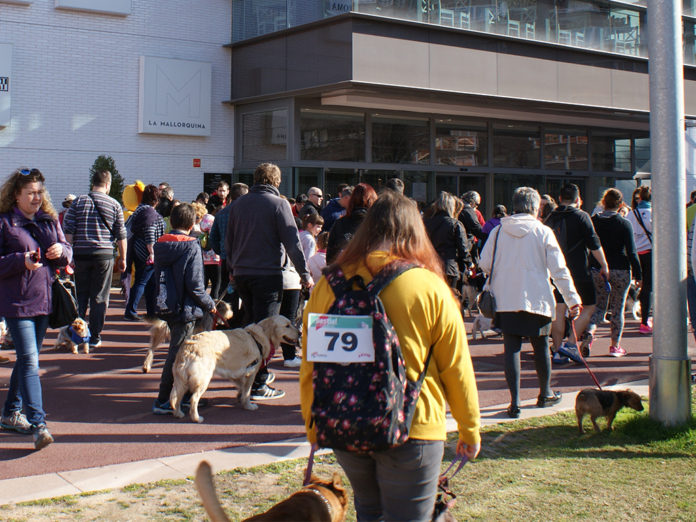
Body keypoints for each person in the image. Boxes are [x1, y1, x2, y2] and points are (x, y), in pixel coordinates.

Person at [299, 191, 481, 521]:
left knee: (368, 511)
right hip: (413, 424)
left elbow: (311, 364)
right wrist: (469, 428)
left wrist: (314, 423)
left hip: (346, 421)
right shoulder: (430, 286)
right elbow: (456, 366)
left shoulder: (328, 286)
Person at [479, 187, 582, 418]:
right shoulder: (543, 231)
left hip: (506, 298)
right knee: (541, 347)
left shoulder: (498, 231)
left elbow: (484, 263)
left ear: (514, 205)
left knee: (511, 349)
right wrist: (572, 299)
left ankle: (514, 402)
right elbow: (559, 270)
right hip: (538, 297)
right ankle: (544, 393)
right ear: (537, 207)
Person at [225, 163, 312, 400]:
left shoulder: (238, 204)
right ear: (276, 181)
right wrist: (304, 273)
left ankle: (247, 372)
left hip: (242, 273)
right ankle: (259, 383)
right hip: (267, 273)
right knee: (265, 330)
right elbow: (292, 242)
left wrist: (232, 267)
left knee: (249, 324)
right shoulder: (279, 204)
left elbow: (229, 240)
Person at [0, 167, 73, 449]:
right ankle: (39, 424)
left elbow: (68, 251)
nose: (36, 197)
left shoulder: (48, 220)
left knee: (25, 358)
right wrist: (21, 261)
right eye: (30, 193)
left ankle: (9, 413)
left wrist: (61, 252)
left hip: (44, 300)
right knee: (30, 360)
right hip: (17, 303)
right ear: (15, 195)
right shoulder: (5, 223)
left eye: (39, 192)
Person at [151, 203, 216, 414]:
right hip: (186, 307)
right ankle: (164, 399)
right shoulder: (191, 246)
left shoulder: (161, 244)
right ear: (192, 223)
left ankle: (185, 396)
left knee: (179, 353)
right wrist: (210, 304)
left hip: (167, 302)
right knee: (178, 354)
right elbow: (196, 286)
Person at [62, 170, 127, 348]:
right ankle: (95, 337)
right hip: (104, 255)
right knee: (99, 297)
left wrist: (70, 255)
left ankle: (77, 335)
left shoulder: (78, 202)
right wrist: (123, 258)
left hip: (81, 253)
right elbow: (121, 234)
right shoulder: (114, 205)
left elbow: (68, 230)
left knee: (80, 295)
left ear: (93, 183)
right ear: (108, 185)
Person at [545, 183, 609, 362]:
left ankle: (558, 350)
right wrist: (604, 265)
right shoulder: (582, 216)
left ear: (559, 199)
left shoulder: (551, 217)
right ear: (578, 199)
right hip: (579, 270)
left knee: (558, 309)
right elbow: (594, 243)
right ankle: (571, 345)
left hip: (555, 271)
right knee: (588, 306)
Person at [587, 188, 642, 357]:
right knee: (618, 309)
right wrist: (639, 274)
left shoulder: (594, 221)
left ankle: (589, 332)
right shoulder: (624, 223)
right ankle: (615, 346)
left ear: (603, 202)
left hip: (598, 268)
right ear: (620, 204)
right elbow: (632, 252)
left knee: (598, 306)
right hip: (620, 269)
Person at [124, 185, 166, 321]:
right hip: (147, 253)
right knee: (142, 282)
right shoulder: (150, 214)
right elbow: (150, 233)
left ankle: (151, 311)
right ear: (156, 200)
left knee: (149, 283)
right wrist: (152, 252)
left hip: (137, 249)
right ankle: (130, 311)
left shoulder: (139, 210)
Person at [423, 191, 472, 289]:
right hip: (449, 267)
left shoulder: (426, 223)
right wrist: (469, 262)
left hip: (429, 266)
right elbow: (463, 249)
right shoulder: (455, 224)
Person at [326, 183, 378, 264]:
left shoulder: (340, 223)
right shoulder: (377, 224)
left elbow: (330, 258)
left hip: (344, 272)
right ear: (372, 201)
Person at [625, 185, 652, 334]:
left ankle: (640, 311)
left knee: (638, 284)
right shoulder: (653, 213)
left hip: (635, 254)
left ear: (639, 198)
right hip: (649, 254)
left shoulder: (631, 214)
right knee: (648, 287)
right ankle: (645, 320)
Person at [458, 190, 487, 262]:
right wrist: (489, 236)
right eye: (476, 204)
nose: (477, 207)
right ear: (472, 202)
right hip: (465, 245)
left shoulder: (457, 208)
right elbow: (477, 228)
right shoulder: (468, 210)